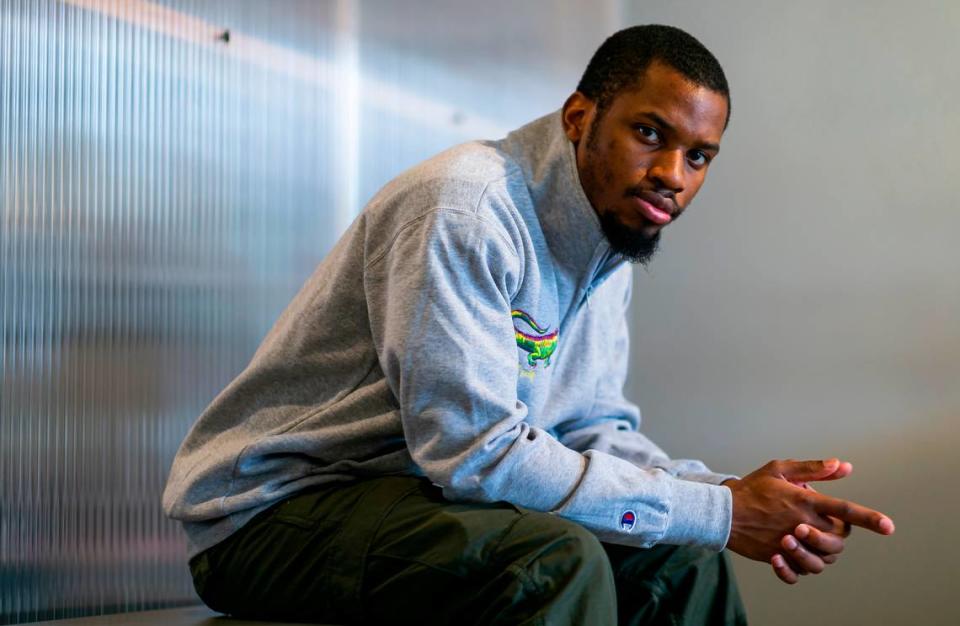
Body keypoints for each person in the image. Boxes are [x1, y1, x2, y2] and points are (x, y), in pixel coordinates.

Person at [163, 24, 895, 625]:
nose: (673, 174)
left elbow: (589, 430)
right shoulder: (468, 206)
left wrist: (736, 499)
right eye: (650, 132)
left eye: (698, 156)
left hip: (416, 500)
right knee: (552, 564)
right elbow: (478, 455)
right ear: (580, 118)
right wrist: (719, 511)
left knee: (681, 559)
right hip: (274, 518)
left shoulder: (607, 239)